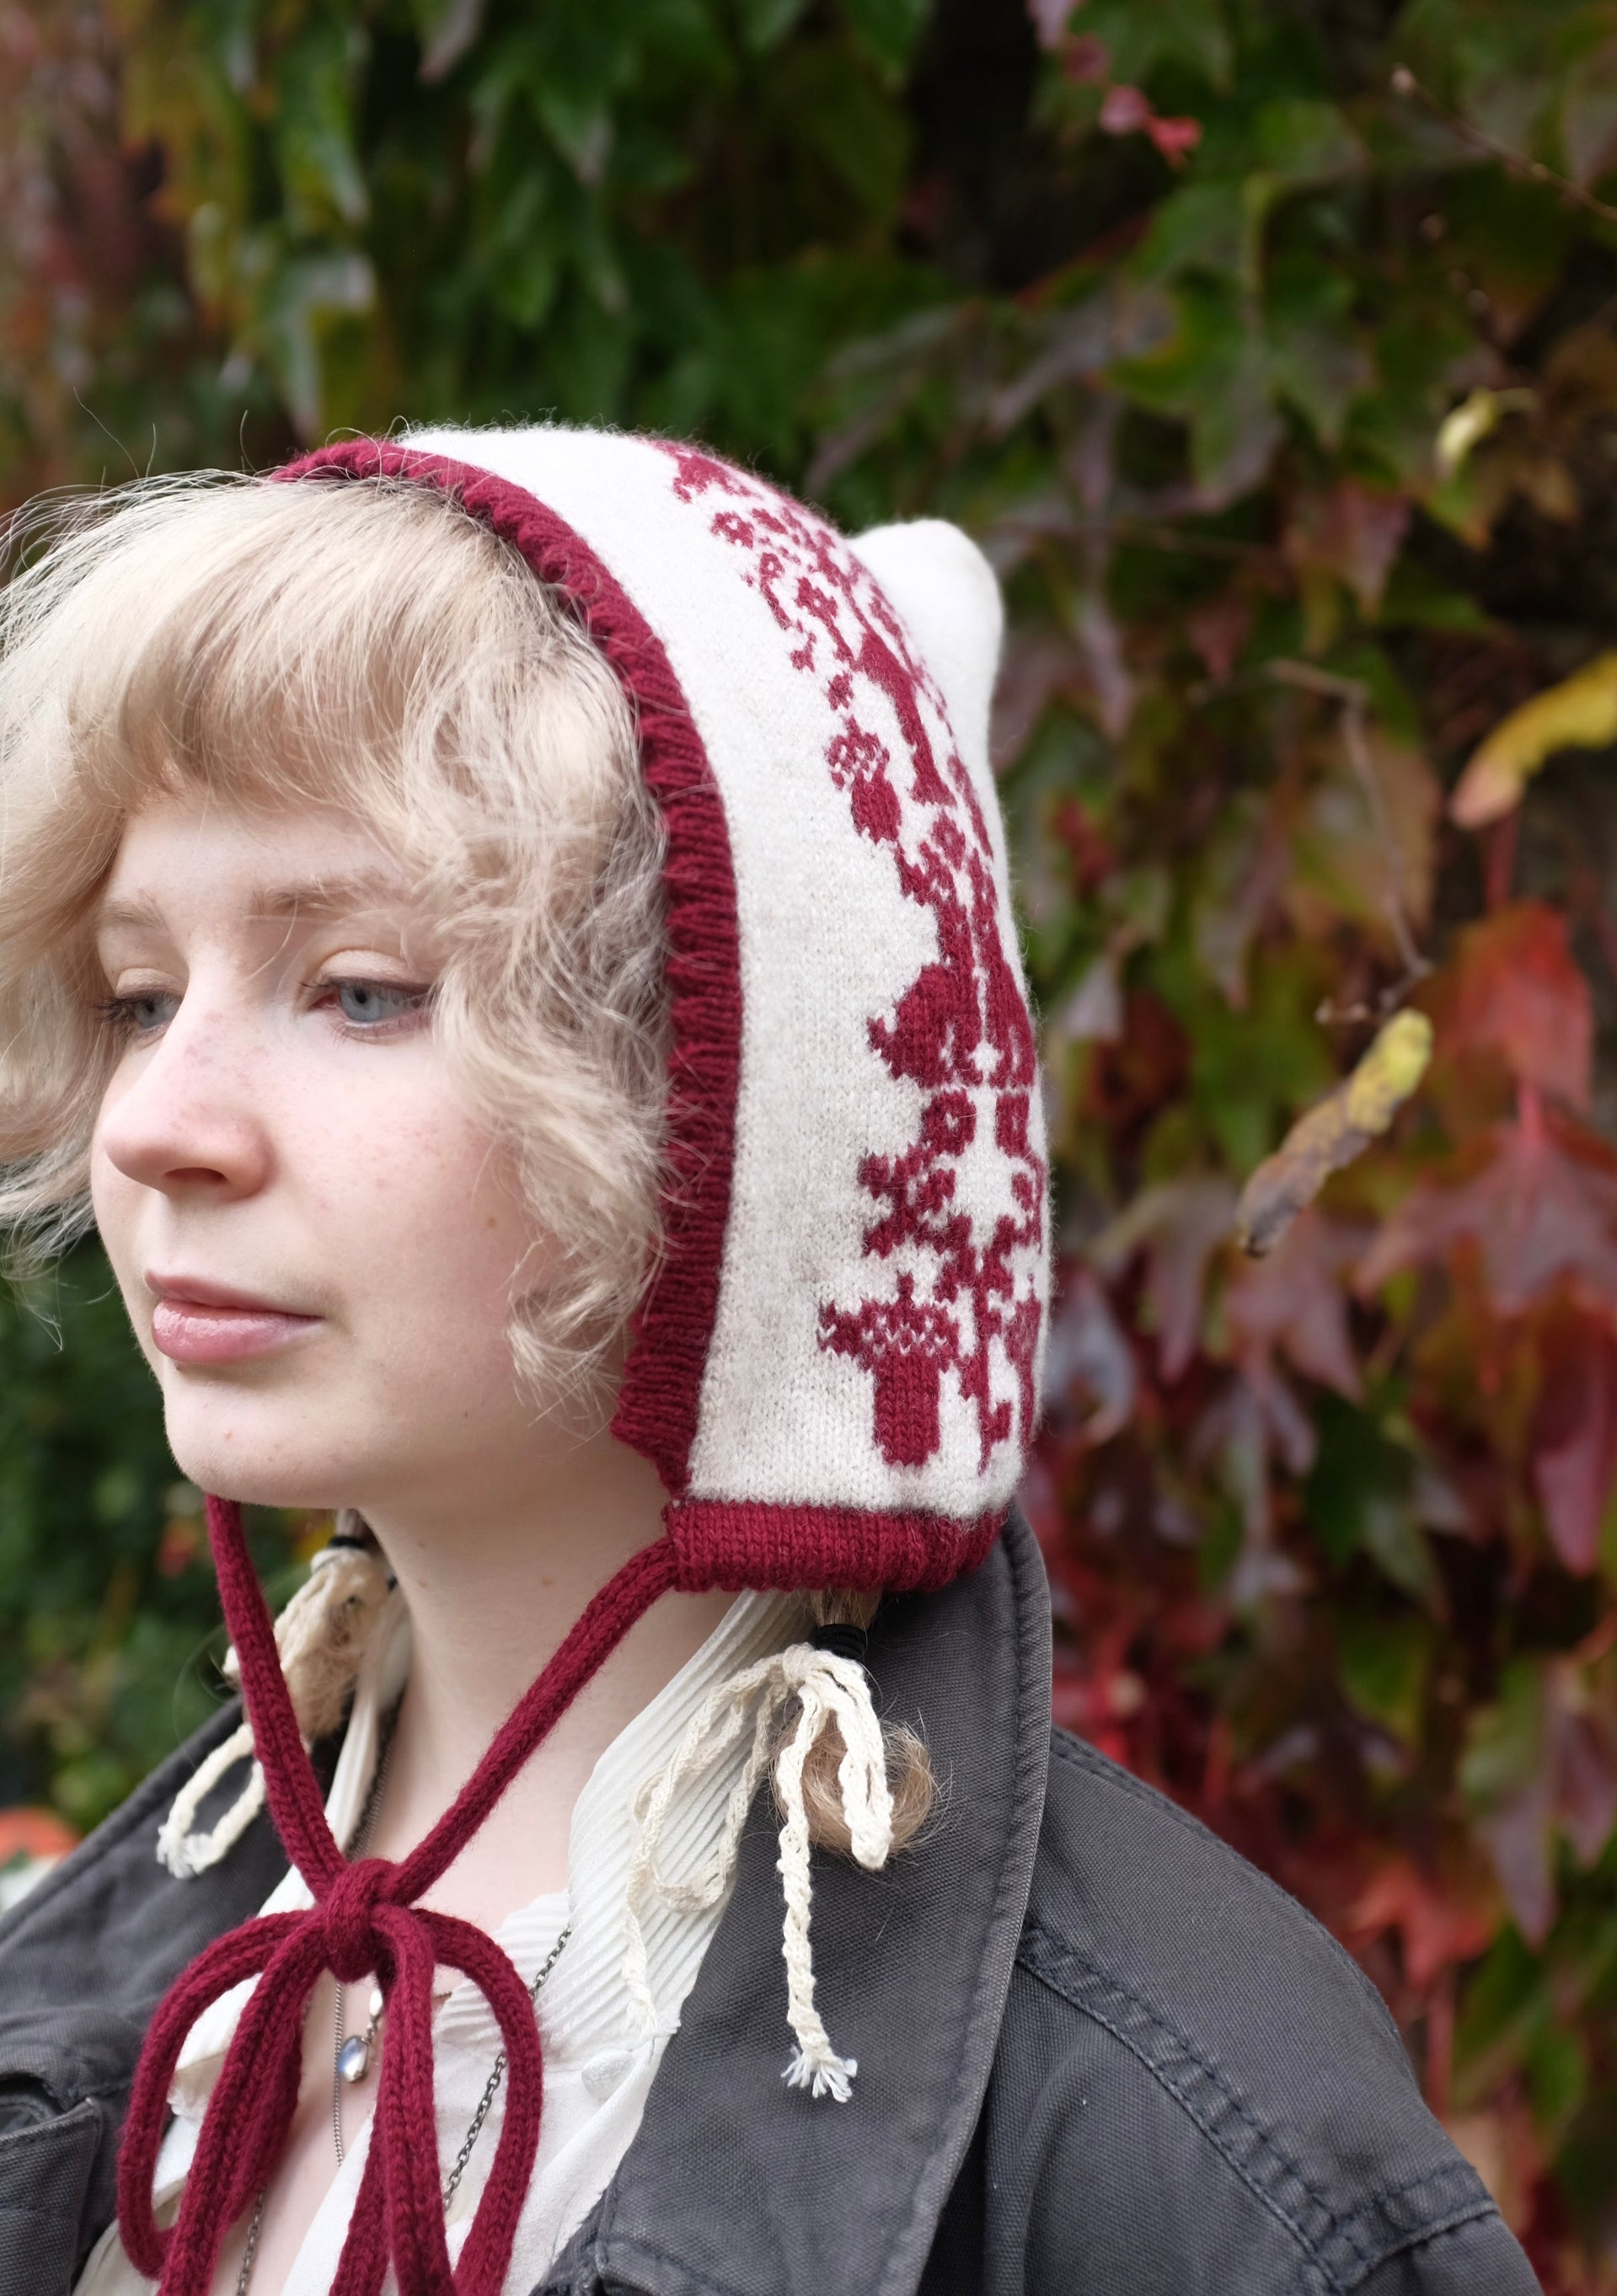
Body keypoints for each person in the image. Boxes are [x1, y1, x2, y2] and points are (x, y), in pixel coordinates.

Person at [0, 427, 1536, 2296]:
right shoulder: (115, 1989)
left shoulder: (1188, 2158)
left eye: (363, 987)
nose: (160, 1121)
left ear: (753, 1101)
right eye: (143, 989)